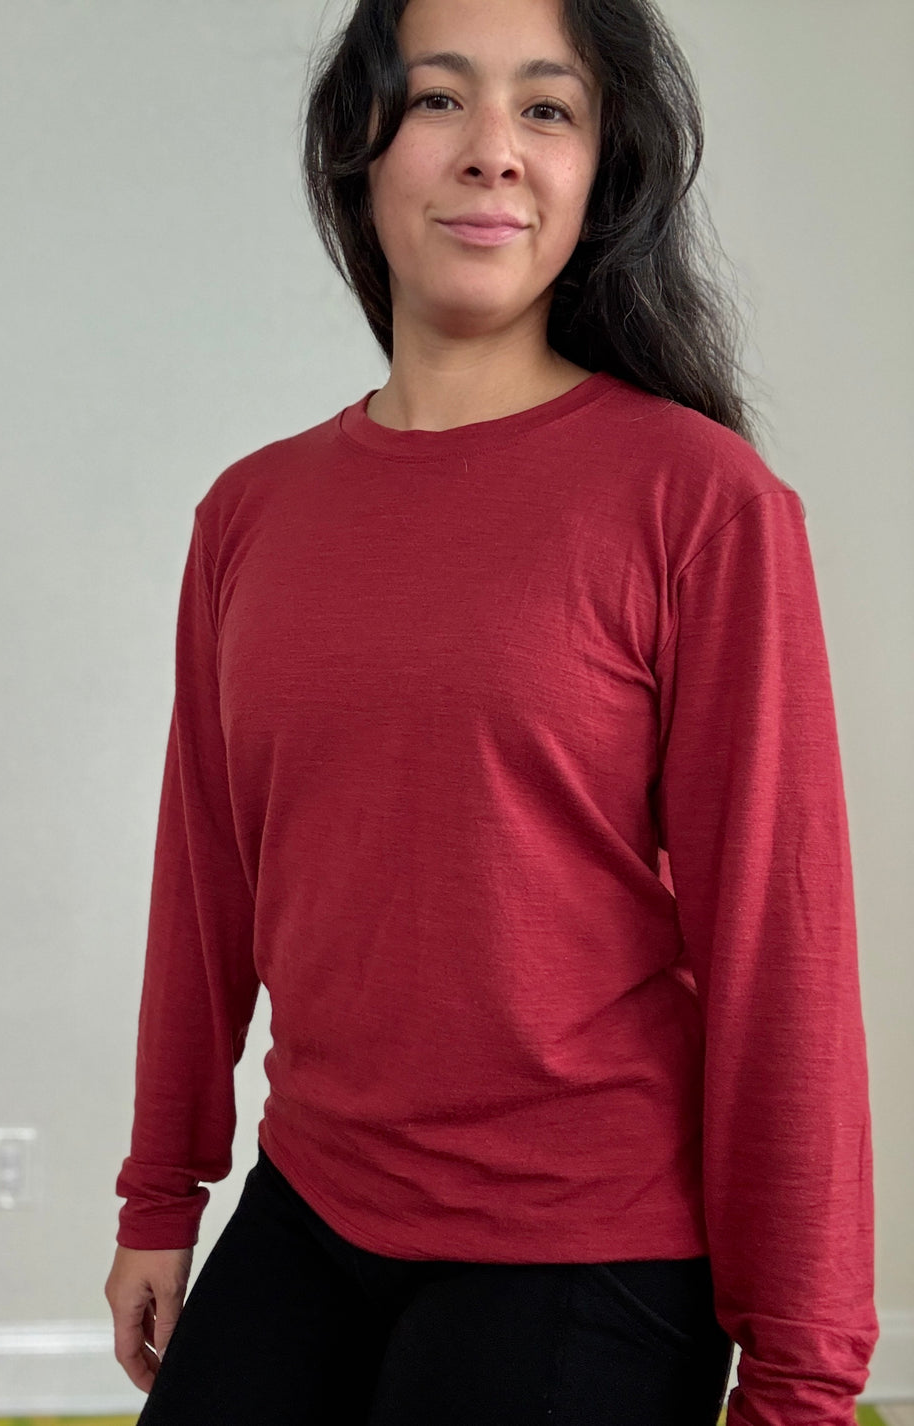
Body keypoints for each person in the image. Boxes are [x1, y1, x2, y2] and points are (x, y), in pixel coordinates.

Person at [103, 0, 879, 1420]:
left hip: (585, 1244)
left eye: (548, 108)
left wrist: (804, 1370)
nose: (494, 151)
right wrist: (164, 1188)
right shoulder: (251, 512)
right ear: (360, 149)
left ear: (599, 172)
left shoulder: (701, 503)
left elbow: (781, 954)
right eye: (439, 98)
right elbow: (207, 875)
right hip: (313, 1202)